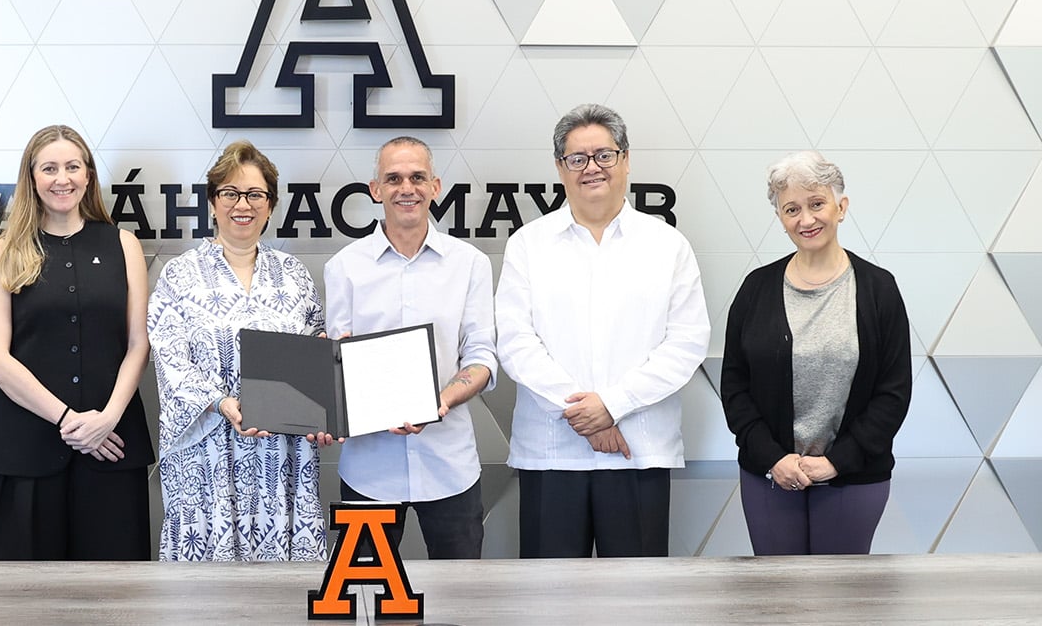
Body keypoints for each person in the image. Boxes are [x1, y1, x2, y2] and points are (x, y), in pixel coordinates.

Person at [495, 103, 709, 558]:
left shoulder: (666, 245)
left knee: (636, 601)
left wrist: (613, 405)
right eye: (577, 158)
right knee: (546, 602)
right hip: (550, 452)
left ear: (626, 160)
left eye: (604, 155)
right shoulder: (527, 245)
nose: (591, 168)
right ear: (560, 168)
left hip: (638, 448)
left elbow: (687, 342)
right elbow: (515, 343)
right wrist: (587, 417)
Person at [0, 125, 154, 560]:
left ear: (88, 175)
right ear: (31, 178)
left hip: (112, 445)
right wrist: (71, 421)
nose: (62, 178)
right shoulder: (5, 251)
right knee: (23, 598)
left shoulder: (122, 244)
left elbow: (138, 343)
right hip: (23, 449)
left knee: (113, 598)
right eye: (49, 168)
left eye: (73, 166)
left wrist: (107, 418)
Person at [721, 151, 911, 555]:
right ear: (780, 219)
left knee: (840, 604)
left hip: (854, 476)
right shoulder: (755, 289)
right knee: (780, 603)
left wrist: (837, 461)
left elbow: (893, 393)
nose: (805, 219)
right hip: (770, 476)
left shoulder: (879, 289)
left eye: (816, 204)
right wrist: (774, 458)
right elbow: (735, 388)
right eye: (792, 209)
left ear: (841, 207)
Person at [147, 140, 328, 561]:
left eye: (254, 194)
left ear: (270, 205)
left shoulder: (294, 275)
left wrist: (326, 385)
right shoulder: (180, 275)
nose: (241, 205)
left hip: (282, 455)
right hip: (206, 454)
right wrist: (223, 402)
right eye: (229, 193)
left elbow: (315, 347)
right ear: (212, 202)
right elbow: (170, 358)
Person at [323, 136, 496, 559]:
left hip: (449, 466)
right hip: (369, 470)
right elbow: (336, 359)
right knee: (366, 600)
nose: (407, 188)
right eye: (394, 178)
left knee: (461, 601)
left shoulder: (469, 263)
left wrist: (438, 401)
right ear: (375, 189)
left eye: (417, 177)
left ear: (435, 186)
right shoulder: (344, 267)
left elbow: (481, 356)